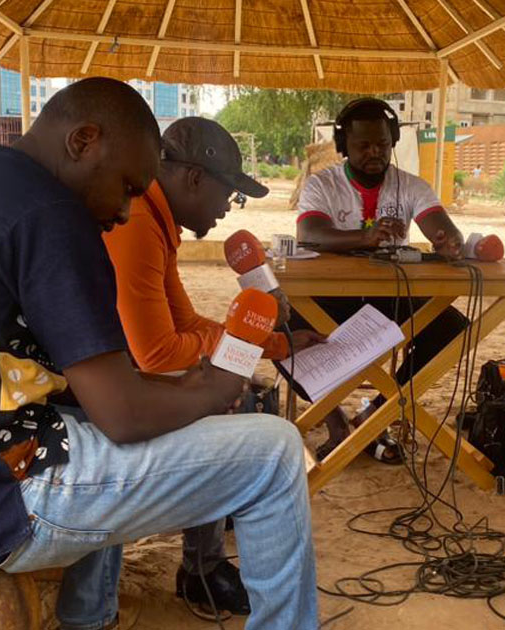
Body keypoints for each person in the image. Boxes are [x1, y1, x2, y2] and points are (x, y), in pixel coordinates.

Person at [0, 78, 317, 630]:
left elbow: (82, 381)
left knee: (90, 428)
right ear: (83, 141)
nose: (123, 212)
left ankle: (89, 620)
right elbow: (122, 415)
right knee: (276, 453)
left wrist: (176, 391)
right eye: (124, 187)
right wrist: (213, 389)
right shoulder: (50, 212)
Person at [100, 116, 324, 621]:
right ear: (194, 178)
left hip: (117, 374)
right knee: (233, 406)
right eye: (230, 194)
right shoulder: (136, 225)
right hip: (98, 395)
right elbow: (155, 353)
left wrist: (269, 346)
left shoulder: (157, 223)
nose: (229, 209)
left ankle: (202, 565)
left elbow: (184, 323)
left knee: (233, 391)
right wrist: (240, 352)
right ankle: (201, 569)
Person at [293, 97, 469, 462]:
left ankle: (379, 409)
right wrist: (364, 237)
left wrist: (449, 241)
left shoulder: (413, 186)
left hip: (389, 300)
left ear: (392, 141)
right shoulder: (321, 186)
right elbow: (309, 233)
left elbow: (443, 228)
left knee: (452, 329)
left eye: (382, 144)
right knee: (281, 330)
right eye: (363, 145)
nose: (374, 152)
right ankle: (336, 422)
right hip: (333, 299)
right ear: (343, 146)